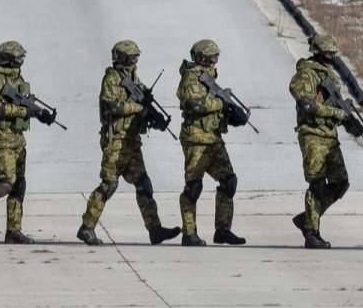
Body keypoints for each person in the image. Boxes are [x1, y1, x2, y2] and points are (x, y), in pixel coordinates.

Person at [77, 40, 181, 247]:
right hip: (115, 141)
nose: (135, 61)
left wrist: (155, 120)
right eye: (131, 58)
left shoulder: (133, 78)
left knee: (143, 183)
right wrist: (138, 108)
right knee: (109, 185)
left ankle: (155, 229)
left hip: (132, 142)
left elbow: (142, 106)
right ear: (122, 58)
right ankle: (86, 228)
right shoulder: (112, 78)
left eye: (136, 57)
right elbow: (112, 106)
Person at [0, 41, 57, 244]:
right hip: (0, 137)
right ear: (8, 60)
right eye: (18, 59)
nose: (21, 62)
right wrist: (26, 111)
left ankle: (13, 230)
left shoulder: (17, 79)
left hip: (17, 137)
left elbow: (24, 104)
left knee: (18, 184)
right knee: (6, 182)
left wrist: (41, 115)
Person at [287, 34, 363, 249]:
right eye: (328, 55)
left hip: (329, 135)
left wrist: (348, 119)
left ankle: (308, 218)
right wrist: (336, 113)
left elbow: (334, 107)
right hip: (312, 133)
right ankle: (312, 232)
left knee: (340, 183)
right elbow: (307, 106)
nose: (331, 58)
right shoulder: (306, 74)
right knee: (317, 183)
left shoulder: (329, 75)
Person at [175, 39, 249, 247]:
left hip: (213, 139)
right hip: (196, 139)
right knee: (193, 186)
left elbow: (214, 109)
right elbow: (195, 104)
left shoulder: (210, 79)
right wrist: (222, 104)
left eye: (216, 58)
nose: (215, 62)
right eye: (212, 58)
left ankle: (223, 230)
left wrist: (232, 116)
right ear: (202, 59)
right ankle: (189, 233)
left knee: (229, 181)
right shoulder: (190, 78)